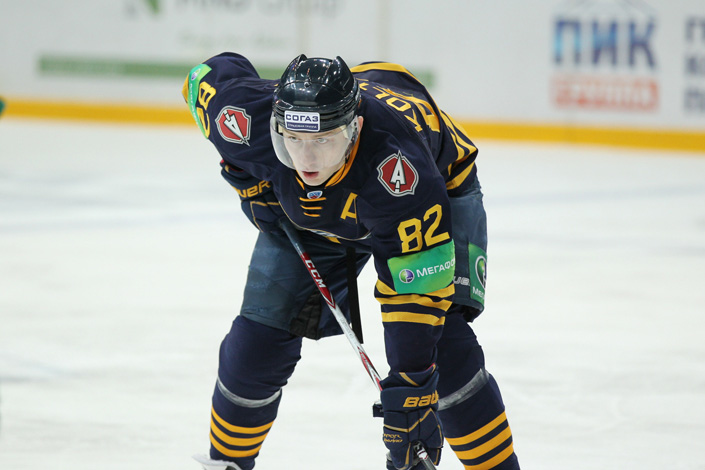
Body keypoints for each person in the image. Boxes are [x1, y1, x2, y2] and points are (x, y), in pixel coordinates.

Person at [182, 52, 521, 470]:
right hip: (322, 215)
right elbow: (203, 77)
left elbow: (415, 294)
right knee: (257, 343)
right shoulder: (244, 118)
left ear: (354, 128)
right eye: (293, 140)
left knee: (444, 350)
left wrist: (411, 388)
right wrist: (248, 179)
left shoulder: (399, 172)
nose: (307, 161)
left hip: (438, 191)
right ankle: (227, 464)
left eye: (323, 141)